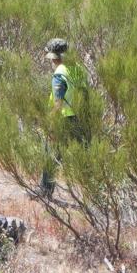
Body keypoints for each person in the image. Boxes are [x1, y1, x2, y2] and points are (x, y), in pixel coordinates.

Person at [40, 38, 86, 197]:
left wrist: (51, 124)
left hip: (64, 119)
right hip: (80, 118)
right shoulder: (78, 69)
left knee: (51, 156)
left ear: (53, 57)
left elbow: (58, 103)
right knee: (83, 158)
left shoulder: (59, 73)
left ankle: (45, 193)